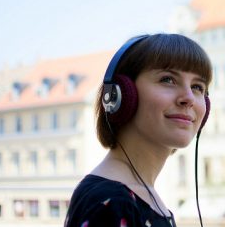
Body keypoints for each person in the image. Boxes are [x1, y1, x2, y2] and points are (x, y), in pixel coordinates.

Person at [65, 33, 212, 227]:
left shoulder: (138, 196)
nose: (189, 98)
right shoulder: (113, 203)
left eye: (197, 87)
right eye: (168, 79)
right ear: (121, 95)